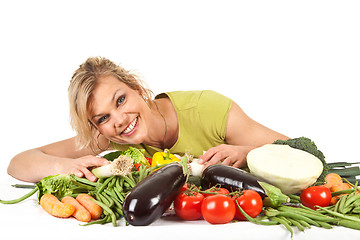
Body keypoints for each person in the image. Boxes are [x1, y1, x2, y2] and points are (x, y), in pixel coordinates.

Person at [7, 56, 289, 183]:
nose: (119, 119)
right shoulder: (110, 138)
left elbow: (295, 148)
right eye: (103, 117)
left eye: (121, 100)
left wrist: (245, 152)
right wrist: (65, 165)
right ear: (96, 126)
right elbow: (18, 163)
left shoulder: (208, 109)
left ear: (137, 88)